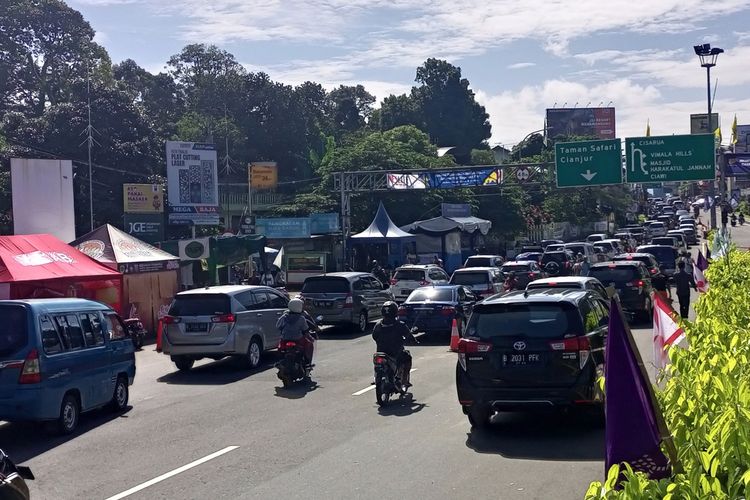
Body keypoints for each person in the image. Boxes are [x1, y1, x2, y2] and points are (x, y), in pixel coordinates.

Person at [372, 301, 418, 388]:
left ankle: (375, 377)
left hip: (381, 352)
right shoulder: (400, 325)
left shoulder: (378, 325)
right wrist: (414, 341)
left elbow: (374, 336)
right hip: (395, 353)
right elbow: (409, 336)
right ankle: (404, 380)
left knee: (377, 361)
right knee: (408, 357)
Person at [276, 298, 315, 367]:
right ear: (299, 307)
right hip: (298, 339)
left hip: (285, 338)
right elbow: (305, 330)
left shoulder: (284, 317)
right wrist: (310, 337)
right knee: (309, 344)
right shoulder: (301, 318)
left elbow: (278, 326)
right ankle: (307, 362)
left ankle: (279, 361)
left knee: (280, 346)